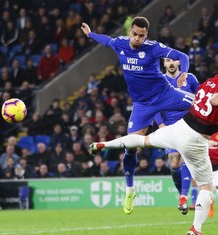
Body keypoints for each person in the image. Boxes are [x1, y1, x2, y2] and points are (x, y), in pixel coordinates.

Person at [89, 53, 218, 235]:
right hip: (196, 139)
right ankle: (196, 229)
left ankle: (105, 144)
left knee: (144, 140)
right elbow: (215, 99)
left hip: (179, 127)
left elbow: (204, 99)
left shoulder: (208, 81)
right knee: (207, 188)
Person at [81, 16, 191, 215]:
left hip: (165, 95)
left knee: (198, 102)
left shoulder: (153, 47)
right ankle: (130, 190)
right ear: (130, 31)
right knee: (131, 147)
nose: (137, 38)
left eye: (141, 35)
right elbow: (106, 40)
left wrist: (184, 73)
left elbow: (182, 56)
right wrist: (90, 34)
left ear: (146, 35)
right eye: (135, 34)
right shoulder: (121, 43)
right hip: (141, 105)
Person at [154, 57, 199, 215]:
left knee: (187, 160)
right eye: (167, 61)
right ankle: (182, 194)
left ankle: (184, 198)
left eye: (174, 60)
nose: (171, 63)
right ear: (164, 64)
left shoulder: (190, 78)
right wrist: (161, 124)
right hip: (170, 126)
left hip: (188, 124)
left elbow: (201, 99)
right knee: (174, 164)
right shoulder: (160, 81)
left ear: (179, 63)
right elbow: (154, 104)